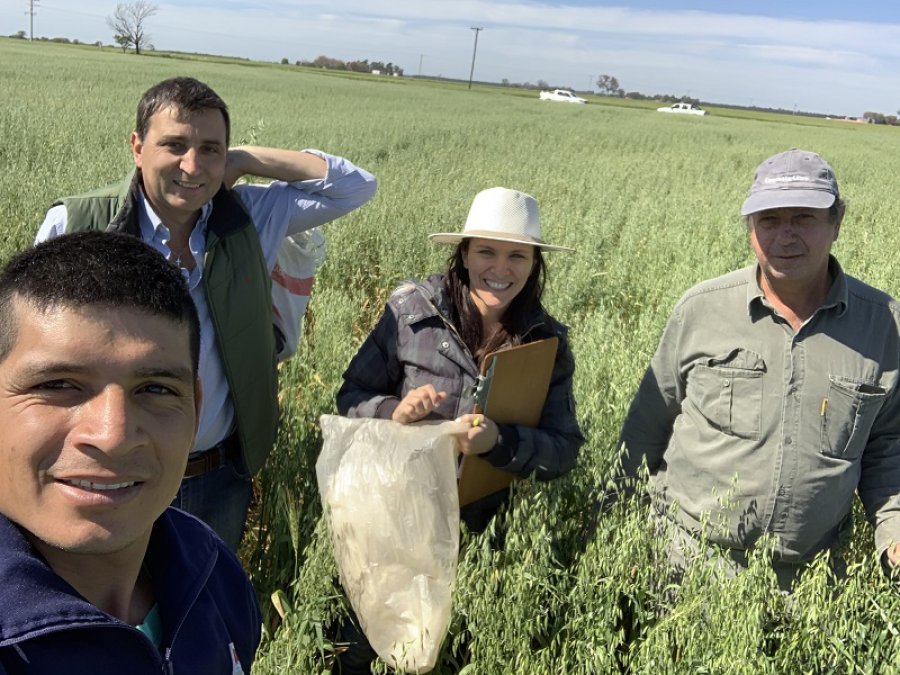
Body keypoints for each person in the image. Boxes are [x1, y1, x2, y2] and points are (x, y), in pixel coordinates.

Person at [36, 76, 378, 550]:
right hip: (108, 475)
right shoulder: (76, 225)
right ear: (137, 147)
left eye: (209, 149)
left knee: (202, 610)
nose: (192, 166)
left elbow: (355, 187)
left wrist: (243, 159)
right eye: (174, 145)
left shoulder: (251, 216)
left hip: (213, 477)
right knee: (108, 612)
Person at [618, 148, 900, 590]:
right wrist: (616, 539)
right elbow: (643, 433)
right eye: (769, 220)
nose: (785, 236)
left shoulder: (884, 324)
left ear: (837, 221)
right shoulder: (702, 310)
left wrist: (894, 532)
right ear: (750, 229)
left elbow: (888, 446)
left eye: (804, 218)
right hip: (687, 565)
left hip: (813, 582)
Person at [333, 187, 584, 672]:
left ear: (534, 264)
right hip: (394, 524)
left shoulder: (546, 340)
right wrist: (395, 413)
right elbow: (351, 397)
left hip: (485, 537)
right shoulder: (410, 312)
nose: (500, 267)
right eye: (486, 251)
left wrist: (499, 443)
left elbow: (564, 450)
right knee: (366, 645)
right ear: (464, 254)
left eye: (517, 255)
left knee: (454, 654)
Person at [0, 232, 261, 674]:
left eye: (155, 389)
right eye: (57, 385)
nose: (113, 435)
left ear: (196, 410)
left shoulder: (210, 570)